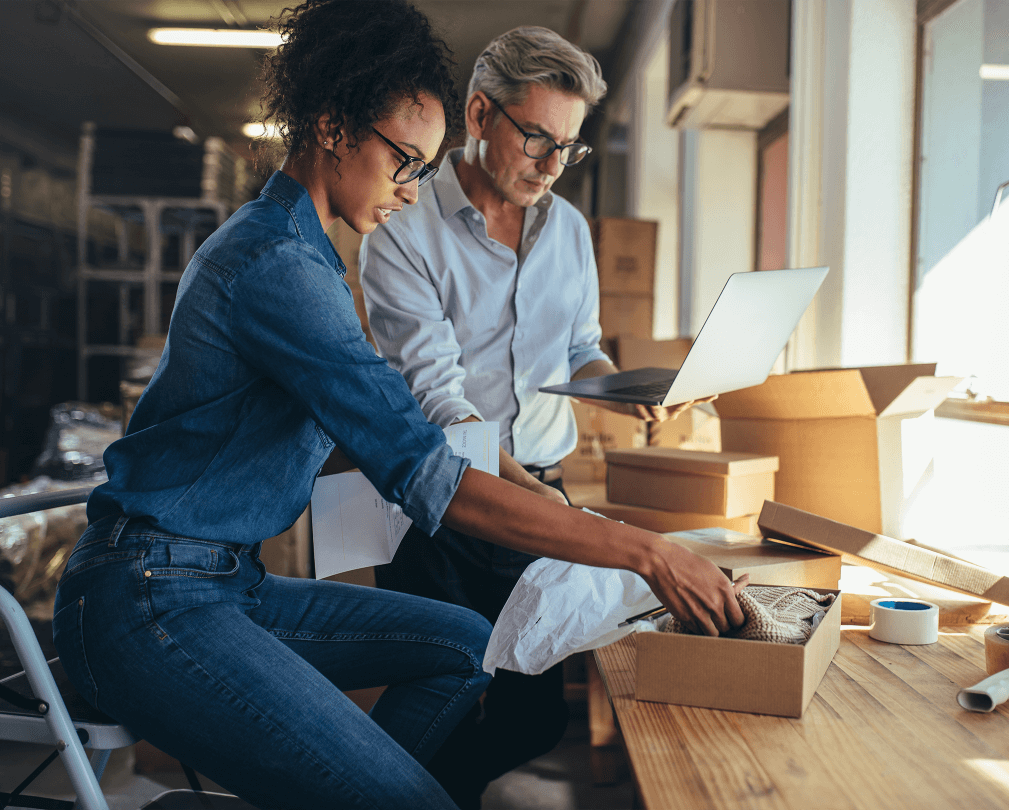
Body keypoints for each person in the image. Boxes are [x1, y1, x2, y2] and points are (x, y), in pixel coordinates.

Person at [53, 4, 745, 808]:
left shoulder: (307, 253)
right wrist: (646, 553)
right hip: (150, 594)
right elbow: (426, 468)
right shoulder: (279, 265)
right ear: (333, 128)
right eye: (404, 162)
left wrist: (540, 488)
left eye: (422, 167)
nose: (413, 192)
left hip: (226, 582)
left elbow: (381, 433)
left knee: (466, 646)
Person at [360, 25, 715, 808]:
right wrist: (537, 503)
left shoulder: (570, 232)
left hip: (543, 491)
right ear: (479, 115)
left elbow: (581, 347)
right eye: (538, 140)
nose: (553, 165)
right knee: (442, 705)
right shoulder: (403, 231)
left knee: (534, 718)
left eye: (569, 147)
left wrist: (627, 390)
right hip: (445, 505)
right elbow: (441, 402)